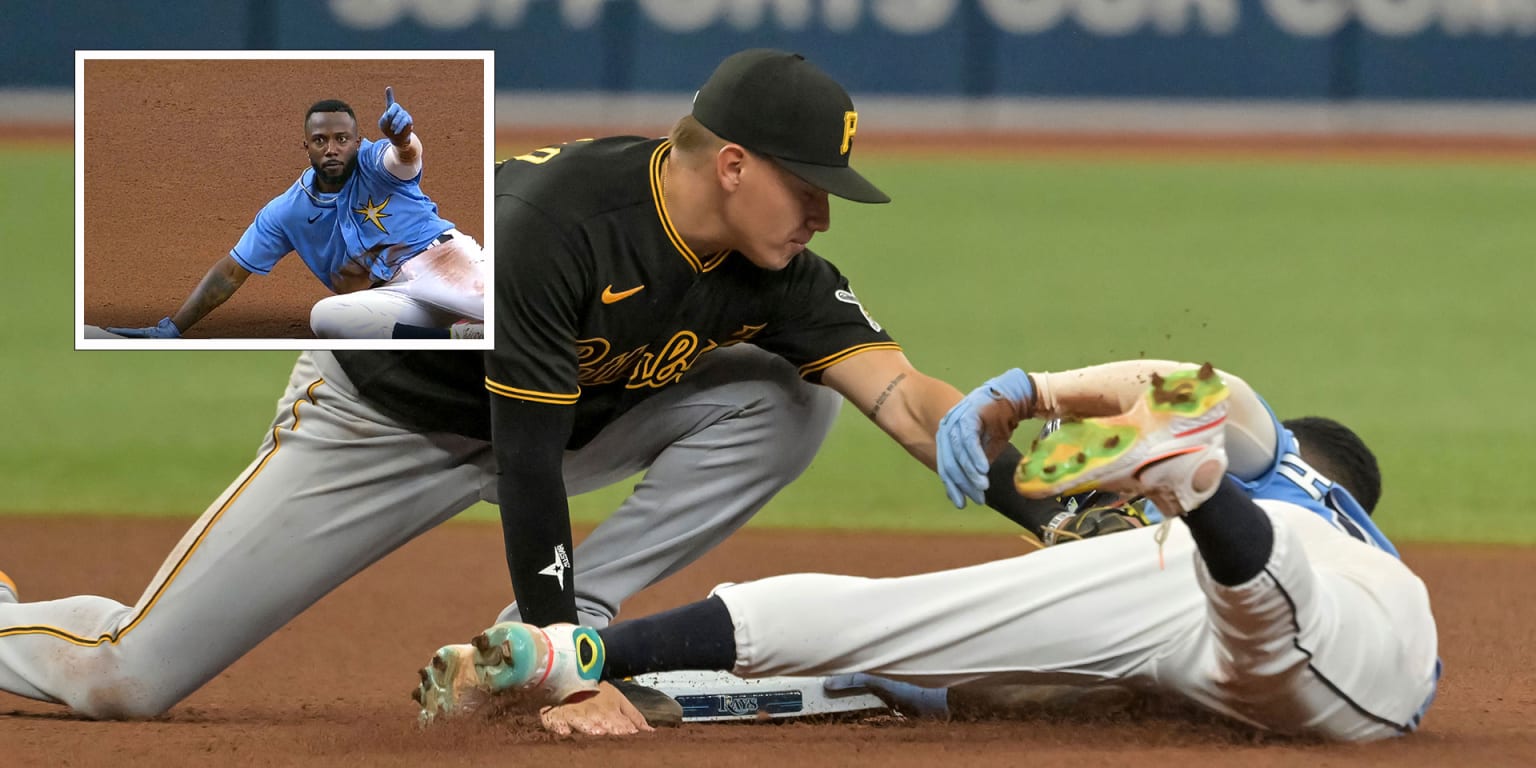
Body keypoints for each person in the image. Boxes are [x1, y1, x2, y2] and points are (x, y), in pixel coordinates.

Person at [0, 49, 1076, 723]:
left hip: (564, 420)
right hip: (385, 424)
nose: (825, 216)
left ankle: (558, 621)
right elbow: (523, 463)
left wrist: (1048, 507)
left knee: (792, 397)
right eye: (812, 188)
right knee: (125, 682)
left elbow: (902, 395)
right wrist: (571, 673)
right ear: (735, 164)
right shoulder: (555, 228)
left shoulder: (776, 267)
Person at [434, 360, 1441, 742]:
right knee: (1287, 623)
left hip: (1175, 581)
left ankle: (579, 651)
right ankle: (1200, 491)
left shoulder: (1291, 472)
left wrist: (1033, 391)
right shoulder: (1353, 526)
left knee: (892, 614)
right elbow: (1211, 401)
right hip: (1328, 616)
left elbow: (1199, 385)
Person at [107, 88, 485, 340]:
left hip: (443, 262)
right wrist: (172, 328)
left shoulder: (374, 161)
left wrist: (403, 138)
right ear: (306, 146)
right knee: (326, 318)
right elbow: (231, 271)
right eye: (321, 141)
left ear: (357, 141)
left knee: (505, 313)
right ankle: (458, 337)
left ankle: (479, 327)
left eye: (341, 139)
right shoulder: (287, 210)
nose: (332, 148)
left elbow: (405, 157)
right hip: (395, 297)